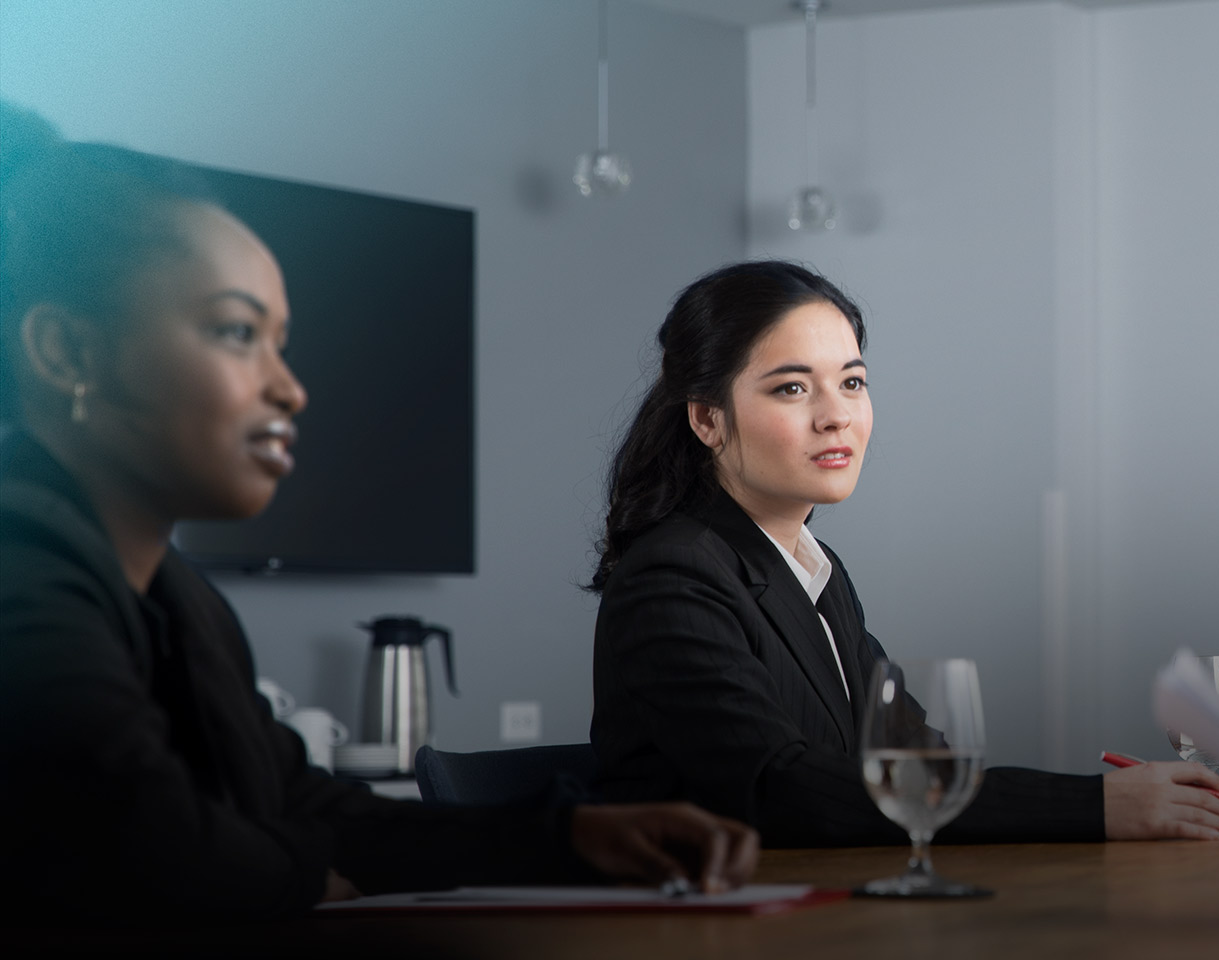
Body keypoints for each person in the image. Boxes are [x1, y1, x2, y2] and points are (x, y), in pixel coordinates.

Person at [0, 106, 758, 926]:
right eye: (234, 331)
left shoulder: (182, 601)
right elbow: (153, 852)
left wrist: (577, 838)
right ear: (66, 353)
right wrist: (306, 875)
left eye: (281, 342)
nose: (289, 389)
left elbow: (307, 805)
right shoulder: (23, 572)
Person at [586, 260, 1219, 846]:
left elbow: (922, 765)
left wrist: (1122, 802)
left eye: (851, 382)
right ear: (707, 419)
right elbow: (783, 788)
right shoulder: (674, 574)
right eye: (792, 388)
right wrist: (1095, 805)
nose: (836, 415)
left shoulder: (814, 569)